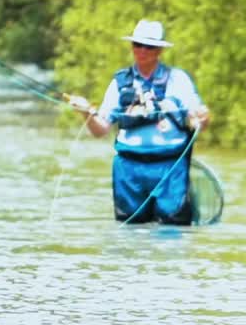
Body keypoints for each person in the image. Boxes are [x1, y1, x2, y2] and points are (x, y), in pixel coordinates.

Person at [66, 19, 211, 224]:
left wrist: (202, 118)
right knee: (130, 232)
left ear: (159, 50)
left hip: (170, 168)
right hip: (128, 170)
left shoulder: (178, 80)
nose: (142, 50)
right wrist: (86, 113)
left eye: (149, 46)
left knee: (173, 231)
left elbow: (198, 121)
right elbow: (101, 130)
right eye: (137, 45)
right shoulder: (119, 83)